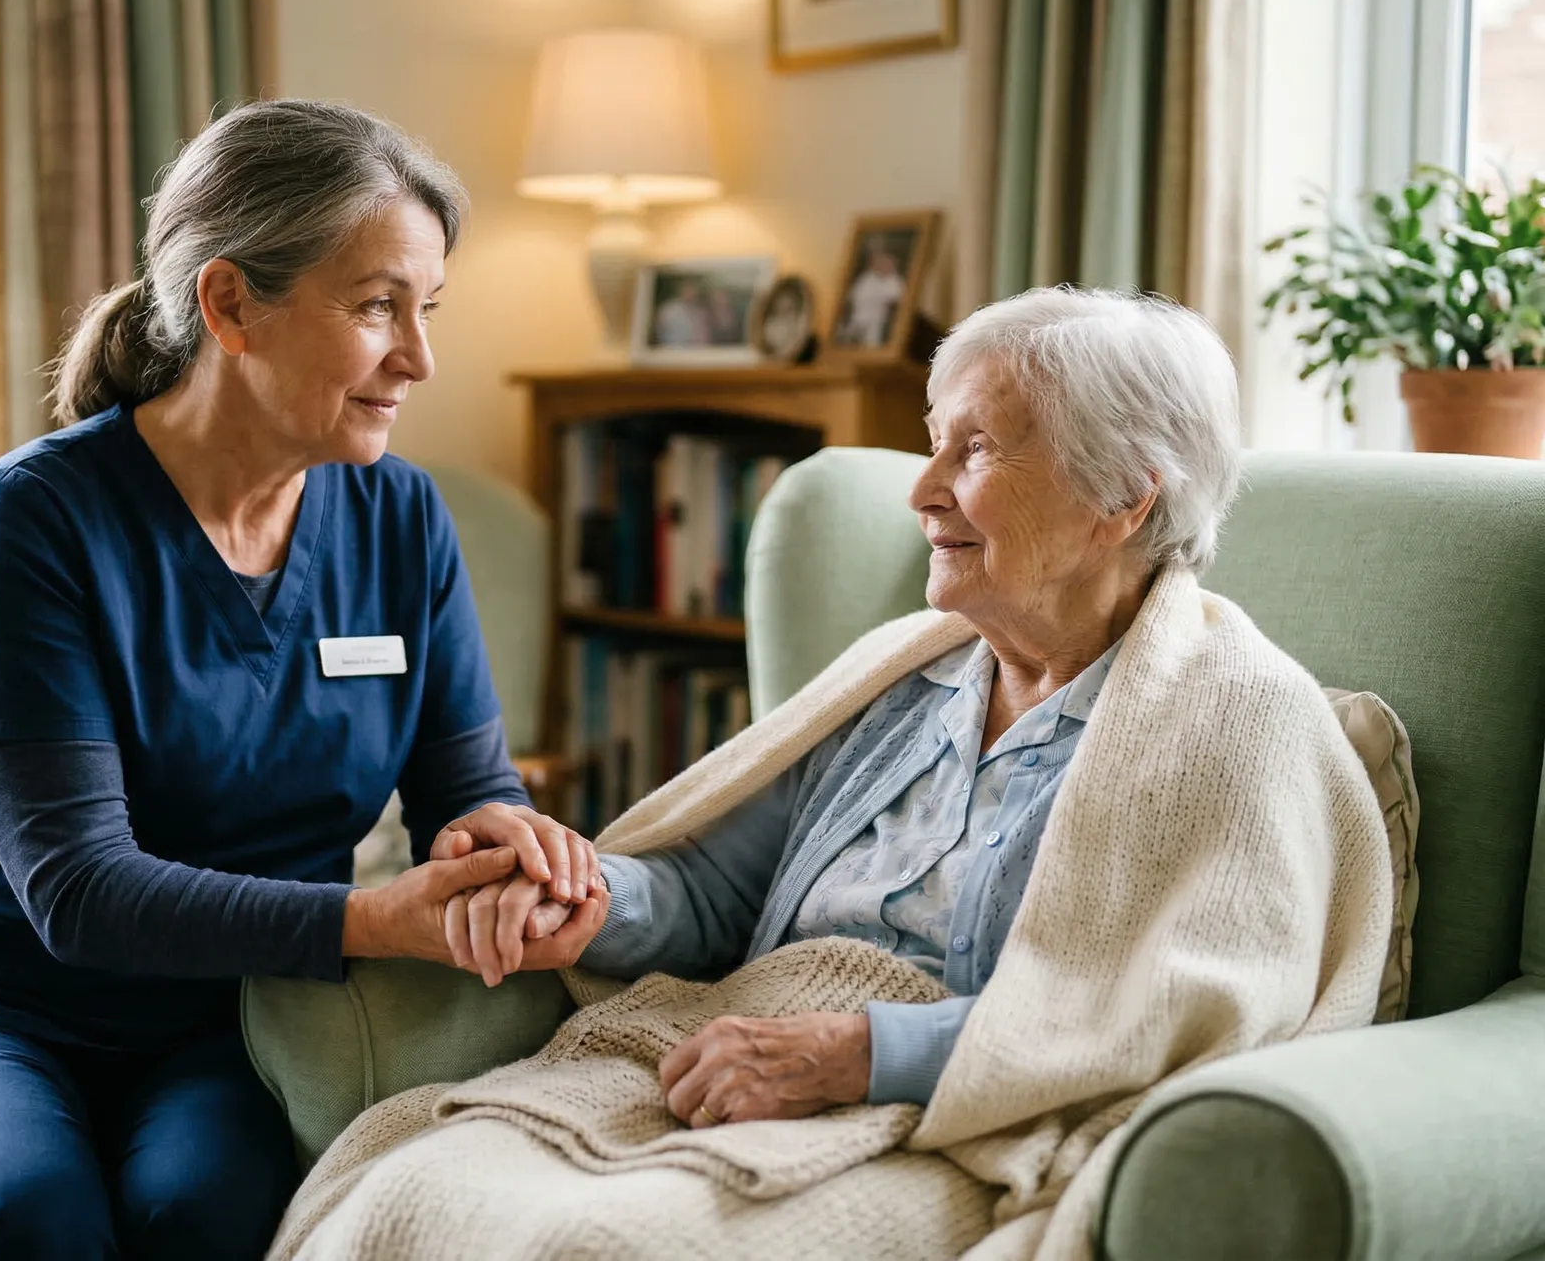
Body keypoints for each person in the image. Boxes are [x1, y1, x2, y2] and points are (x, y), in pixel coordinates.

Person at [281, 288, 1392, 1259]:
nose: (925, 490)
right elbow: (719, 895)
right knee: (402, 1187)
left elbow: (1170, 1014)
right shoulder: (907, 681)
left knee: (597, 1244)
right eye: (934, 443)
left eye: (978, 450)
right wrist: (582, 900)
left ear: (1124, 501)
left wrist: (864, 1051)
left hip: (946, 1117)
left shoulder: (1239, 719)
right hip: (726, 1055)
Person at [0, 99, 600, 1261]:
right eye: (379, 306)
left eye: (426, 310)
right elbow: (78, 891)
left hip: (227, 1022)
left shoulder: (401, 519)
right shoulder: (35, 518)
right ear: (231, 304)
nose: (418, 359)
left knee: (211, 1216)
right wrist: (377, 920)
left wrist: (510, 845)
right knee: (26, 1217)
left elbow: (466, 787)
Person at [836, 240, 905, 348]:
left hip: (877, 323)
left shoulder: (895, 282)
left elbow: (896, 303)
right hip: (856, 321)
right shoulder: (866, 278)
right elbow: (850, 298)